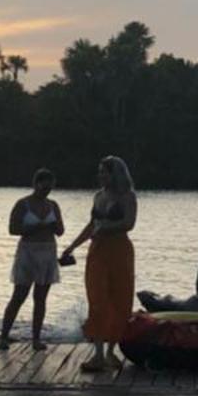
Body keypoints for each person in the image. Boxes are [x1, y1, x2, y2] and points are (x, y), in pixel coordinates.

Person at [61, 154, 138, 373]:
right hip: (98, 251)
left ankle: (111, 351)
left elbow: (129, 223)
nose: (100, 175)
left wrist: (107, 228)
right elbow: (91, 225)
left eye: (104, 171)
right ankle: (97, 354)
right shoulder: (98, 196)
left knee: (120, 298)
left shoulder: (128, 196)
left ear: (115, 174)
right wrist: (72, 246)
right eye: (100, 171)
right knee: (97, 298)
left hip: (119, 250)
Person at [0, 170, 65, 350]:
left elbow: (60, 231)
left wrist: (53, 226)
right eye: (44, 186)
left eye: (50, 186)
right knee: (19, 295)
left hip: (48, 252)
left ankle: (36, 339)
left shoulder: (53, 205)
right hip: (28, 252)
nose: (47, 190)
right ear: (36, 184)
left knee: (41, 298)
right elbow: (12, 229)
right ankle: (4, 336)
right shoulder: (22, 204)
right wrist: (34, 227)